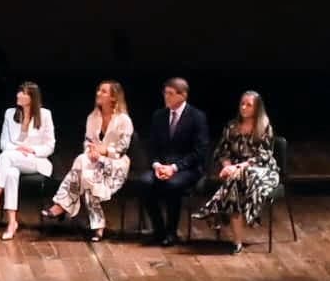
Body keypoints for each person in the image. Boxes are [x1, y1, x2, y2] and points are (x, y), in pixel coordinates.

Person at [181, 89, 282, 246]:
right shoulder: (232, 126)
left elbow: (264, 156)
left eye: (248, 105)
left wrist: (239, 167)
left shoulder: (264, 127)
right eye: (242, 104)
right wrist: (227, 166)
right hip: (236, 173)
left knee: (245, 174)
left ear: (257, 108)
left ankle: (214, 209)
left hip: (263, 171)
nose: (243, 108)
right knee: (234, 184)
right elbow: (222, 152)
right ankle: (237, 242)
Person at [43, 80, 133, 240]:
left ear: (113, 98)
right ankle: (95, 224)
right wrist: (91, 151)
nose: (98, 93)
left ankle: (62, 205)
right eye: (98, 90)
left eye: (104, 91)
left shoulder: (124, 120)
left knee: (86, 175)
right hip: (94, 161)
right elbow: (88, 141)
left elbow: (122, 150)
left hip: (115, 165)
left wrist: (103, 152)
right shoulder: (93, 117)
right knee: (83, 165)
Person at [134, 76, 210, 243]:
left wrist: (174, 168)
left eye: (170, 93)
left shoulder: (197, 117)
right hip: (162, 166)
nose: (166, 97)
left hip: (187, 169)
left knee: (172, 184)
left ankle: (171, 232)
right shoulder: (159, 116)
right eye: (165, 93)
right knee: (144, 182)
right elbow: (152, 146)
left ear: (183, 96)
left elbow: (199, 152)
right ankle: (159, 230)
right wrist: (156, 165)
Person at [0, 81, 56, 240]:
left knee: (5, 157)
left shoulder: (45, 115)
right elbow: (3, 143)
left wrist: (32, 150)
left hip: (35, 160)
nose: (18, 95)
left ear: (32, 98)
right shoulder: (10, 113)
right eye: (19, 92)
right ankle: (12, 223)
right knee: (10, 173)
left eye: (23, 93)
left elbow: (50, 146)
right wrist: (16, 150)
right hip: (14, 157)